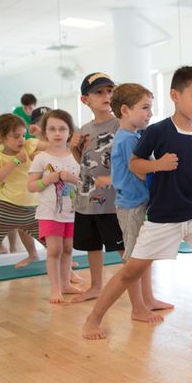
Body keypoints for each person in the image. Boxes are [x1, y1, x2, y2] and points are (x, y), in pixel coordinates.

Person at [81, 66, 192, 339]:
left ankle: (151, 303)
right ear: (176, 96)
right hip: (138, 207)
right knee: (132, 267)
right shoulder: (141, 136)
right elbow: (136, 167)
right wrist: (160, 165)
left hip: (178, 208)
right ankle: (106, 315)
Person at [110, 83, 173, 322]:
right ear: (125, 110)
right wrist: (163, 168)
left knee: (145, 254)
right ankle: (138, 307)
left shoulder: (134, 136)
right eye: (145, 108)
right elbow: (140, 172)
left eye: (151, 108)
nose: (150, 113)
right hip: (131, 205)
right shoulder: (128, 140)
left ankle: (148, 299)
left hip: (140, 202)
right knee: (135, 259)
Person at [69, 73, 124, 303]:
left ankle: (141, 292)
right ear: (85, 100)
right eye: (99, 92)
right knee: (92, 245)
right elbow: (84, 161)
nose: (106, 96)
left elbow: (128, 160)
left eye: (110, 91)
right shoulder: (85, 128)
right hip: (86, 197)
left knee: (125, 250)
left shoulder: (121, 124)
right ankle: (96, 287)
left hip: (111, 201)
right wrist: (73, 149)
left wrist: (112, 178)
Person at [27, 109, 83, 303]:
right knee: (54, 250)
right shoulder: (41, 157)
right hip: (49, 213)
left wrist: (73, 178)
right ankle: (55, 288)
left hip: (72, 213)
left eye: (62, 129)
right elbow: (31, 186)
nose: (57, 133)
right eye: (52, 129)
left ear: (70, 131)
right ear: (45, 132)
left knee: (68, 249)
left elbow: (85, 183)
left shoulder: (76, 155)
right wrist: (49, 179)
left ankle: (66, 284)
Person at [0, 114, 49, 268]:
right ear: (1, 137)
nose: (21, 140)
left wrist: (39, 133)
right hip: (7, 208)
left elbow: (54, 146)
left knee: (51, 243)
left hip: (32, 207)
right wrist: (16, 160)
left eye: (23, 135)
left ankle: (65, 267)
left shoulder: (30, 144)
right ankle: (33, 255)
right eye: (16, 136)